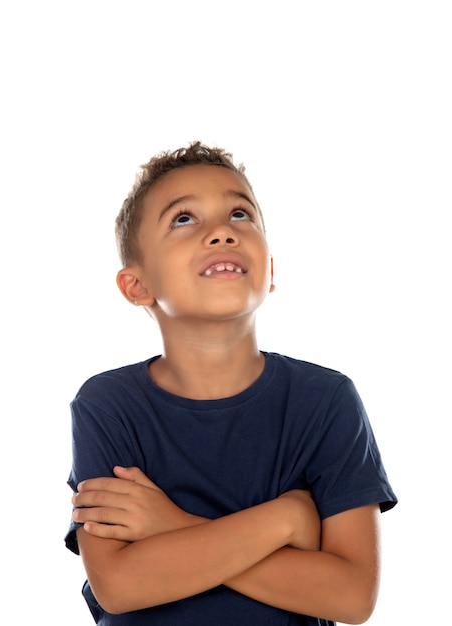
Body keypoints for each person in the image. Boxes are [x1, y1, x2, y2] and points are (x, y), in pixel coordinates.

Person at [65, 141, 397, 625]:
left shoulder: (325, 401)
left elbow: (351, 597)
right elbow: (119, 585)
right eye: (183, 219)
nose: (221, 232)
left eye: (241, 214)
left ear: (271, 271)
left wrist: (170, 526)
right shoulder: (108, 404)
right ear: (137, 285)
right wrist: (287, 520)